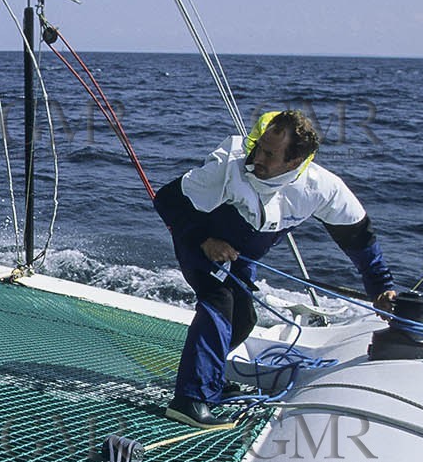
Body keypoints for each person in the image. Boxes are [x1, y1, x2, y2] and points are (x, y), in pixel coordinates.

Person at [154, 109, 397, 427]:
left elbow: (359, 238)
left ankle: (207, 374)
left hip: (240, 255)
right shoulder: (228, 166)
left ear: (294, 162)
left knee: (243, 320)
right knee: (219, 302)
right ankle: (190, 399)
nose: (255, 157)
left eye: (269, 154)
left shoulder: (321, 189)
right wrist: (203, 239)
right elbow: (168, 199)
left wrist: (380, 286)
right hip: (199, 239)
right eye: (257, 145)